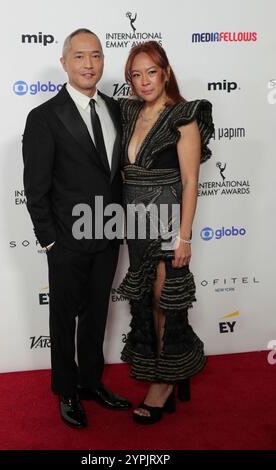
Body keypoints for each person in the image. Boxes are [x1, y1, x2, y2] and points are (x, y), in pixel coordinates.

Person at [23, 28, 131, 429]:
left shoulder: (115, 109)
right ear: (64, 62)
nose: (89, 64)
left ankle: (90, 382)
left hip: (108, 235)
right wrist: (51, 241)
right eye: (80, 56)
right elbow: (36, 187)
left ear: (103, 61)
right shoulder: (44, 117)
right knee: (63, 317)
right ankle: (66, 389)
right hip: (66, 240)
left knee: (97, 313)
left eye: (97, 56)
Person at [117, 41, 214, 424]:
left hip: (168, 220)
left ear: (166, 73)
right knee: (145, 299)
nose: (144, 81)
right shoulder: (128, 113)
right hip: (135, 224)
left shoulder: (183, 117)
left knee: (164, 299)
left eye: (151, 72)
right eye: (136, 75)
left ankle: (165, 382)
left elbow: (191, 181)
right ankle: (167, 373)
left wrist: (184, 237)